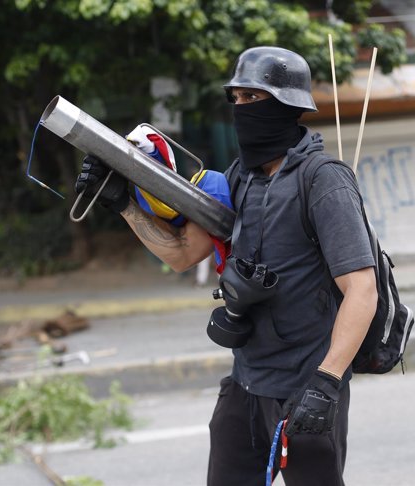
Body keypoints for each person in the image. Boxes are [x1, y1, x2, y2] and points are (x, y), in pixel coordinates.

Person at [75, 46, 377, 486]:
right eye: (235, 99)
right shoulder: (240, 178)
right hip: (246, 385)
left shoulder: (324, 180)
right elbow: (182, 254)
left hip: (306, 389)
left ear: (287, 105)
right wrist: (122, 203)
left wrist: (326, 383)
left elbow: (362, 290)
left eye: (251, 98)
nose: (240, 109)